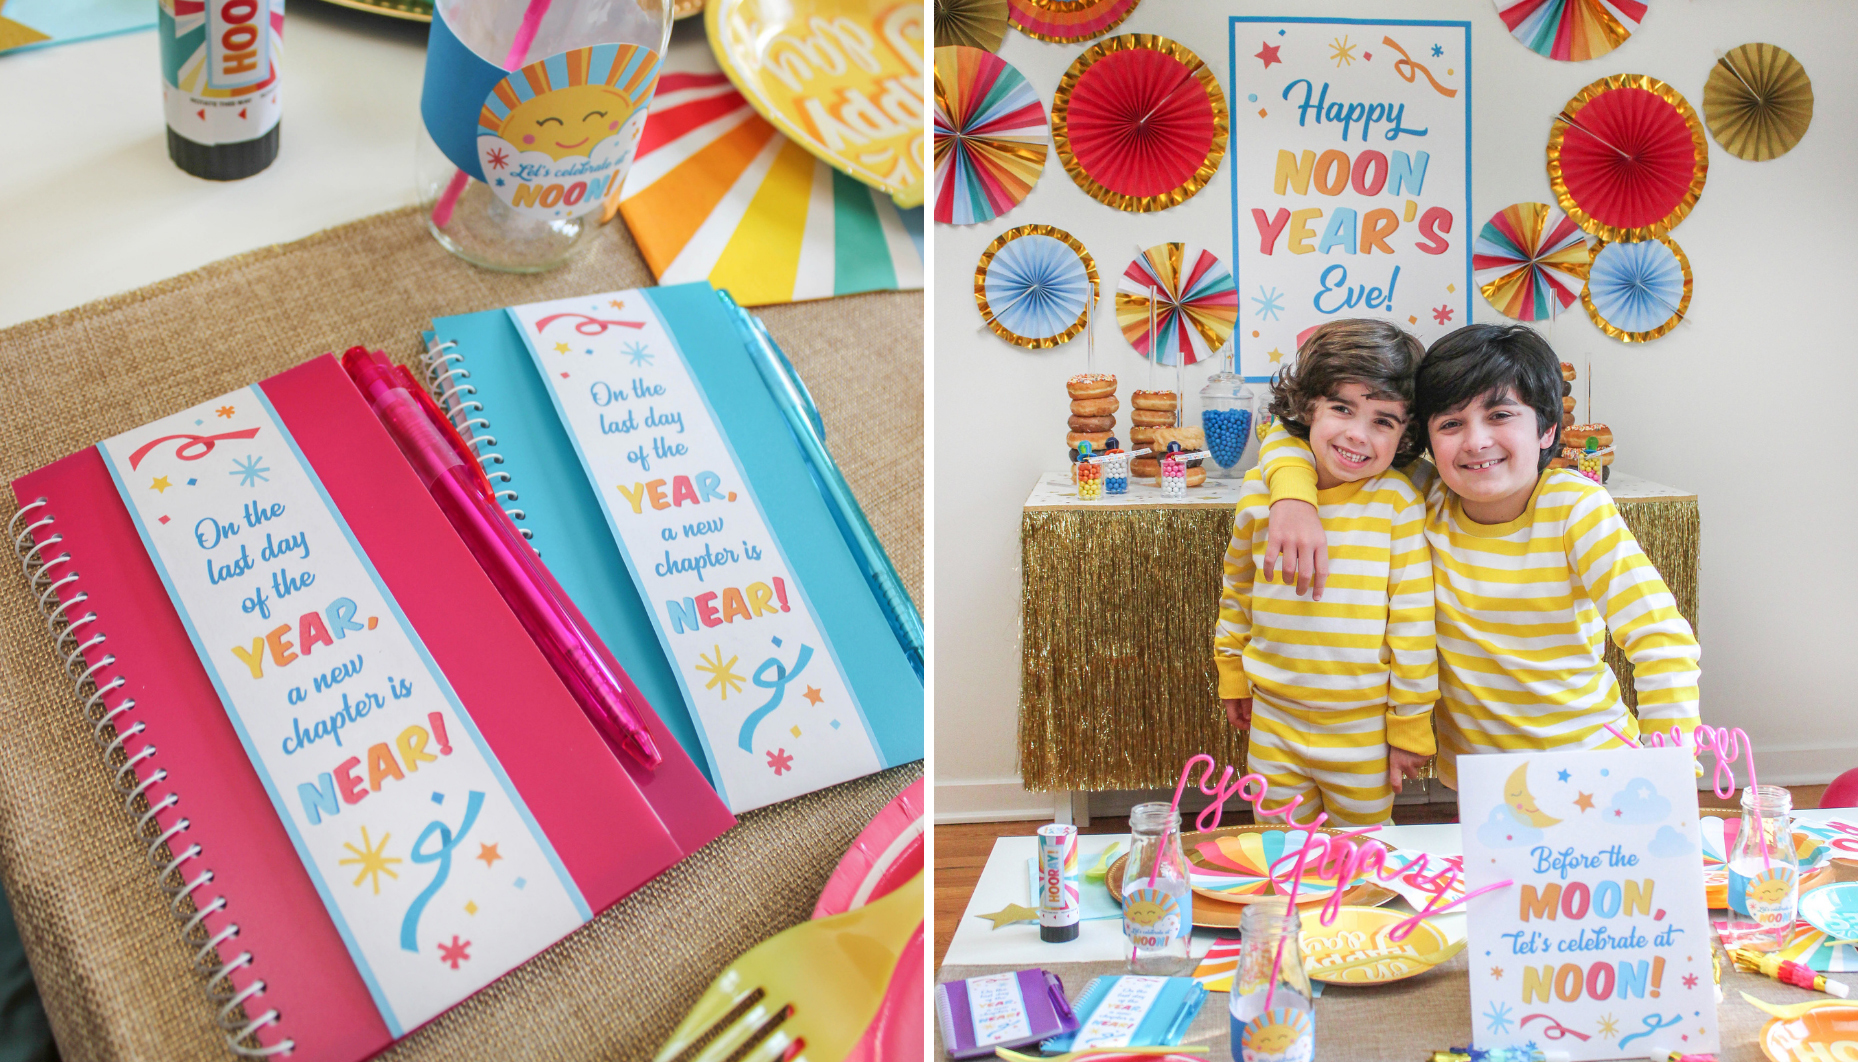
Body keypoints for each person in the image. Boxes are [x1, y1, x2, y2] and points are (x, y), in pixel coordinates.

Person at [1255, 324, 1700, 787]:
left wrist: (1670, 772)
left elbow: (1661, 641)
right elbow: (1292, 433)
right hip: (1479, 782)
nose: (1475, 442)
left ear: (1548, 429)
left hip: (1591, 767)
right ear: (1425, 440)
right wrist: (1293, 497)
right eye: (1451, 423)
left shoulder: (1575, 508)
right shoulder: (1426, 497)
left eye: (1501, 415)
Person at [1215, 319, 1437, 827]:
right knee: (1279, 853)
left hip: (1362, 731)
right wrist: (1232, 672)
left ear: (1406, 434)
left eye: (1384, 421)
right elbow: (1238, 592)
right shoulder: (1262, 493)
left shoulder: (1399, 504)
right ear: (1309, 406)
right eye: (1342, 408)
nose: (1358, 434)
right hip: (1273, 720)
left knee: (1363, 858)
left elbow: (1413, 626)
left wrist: (1409, 725)